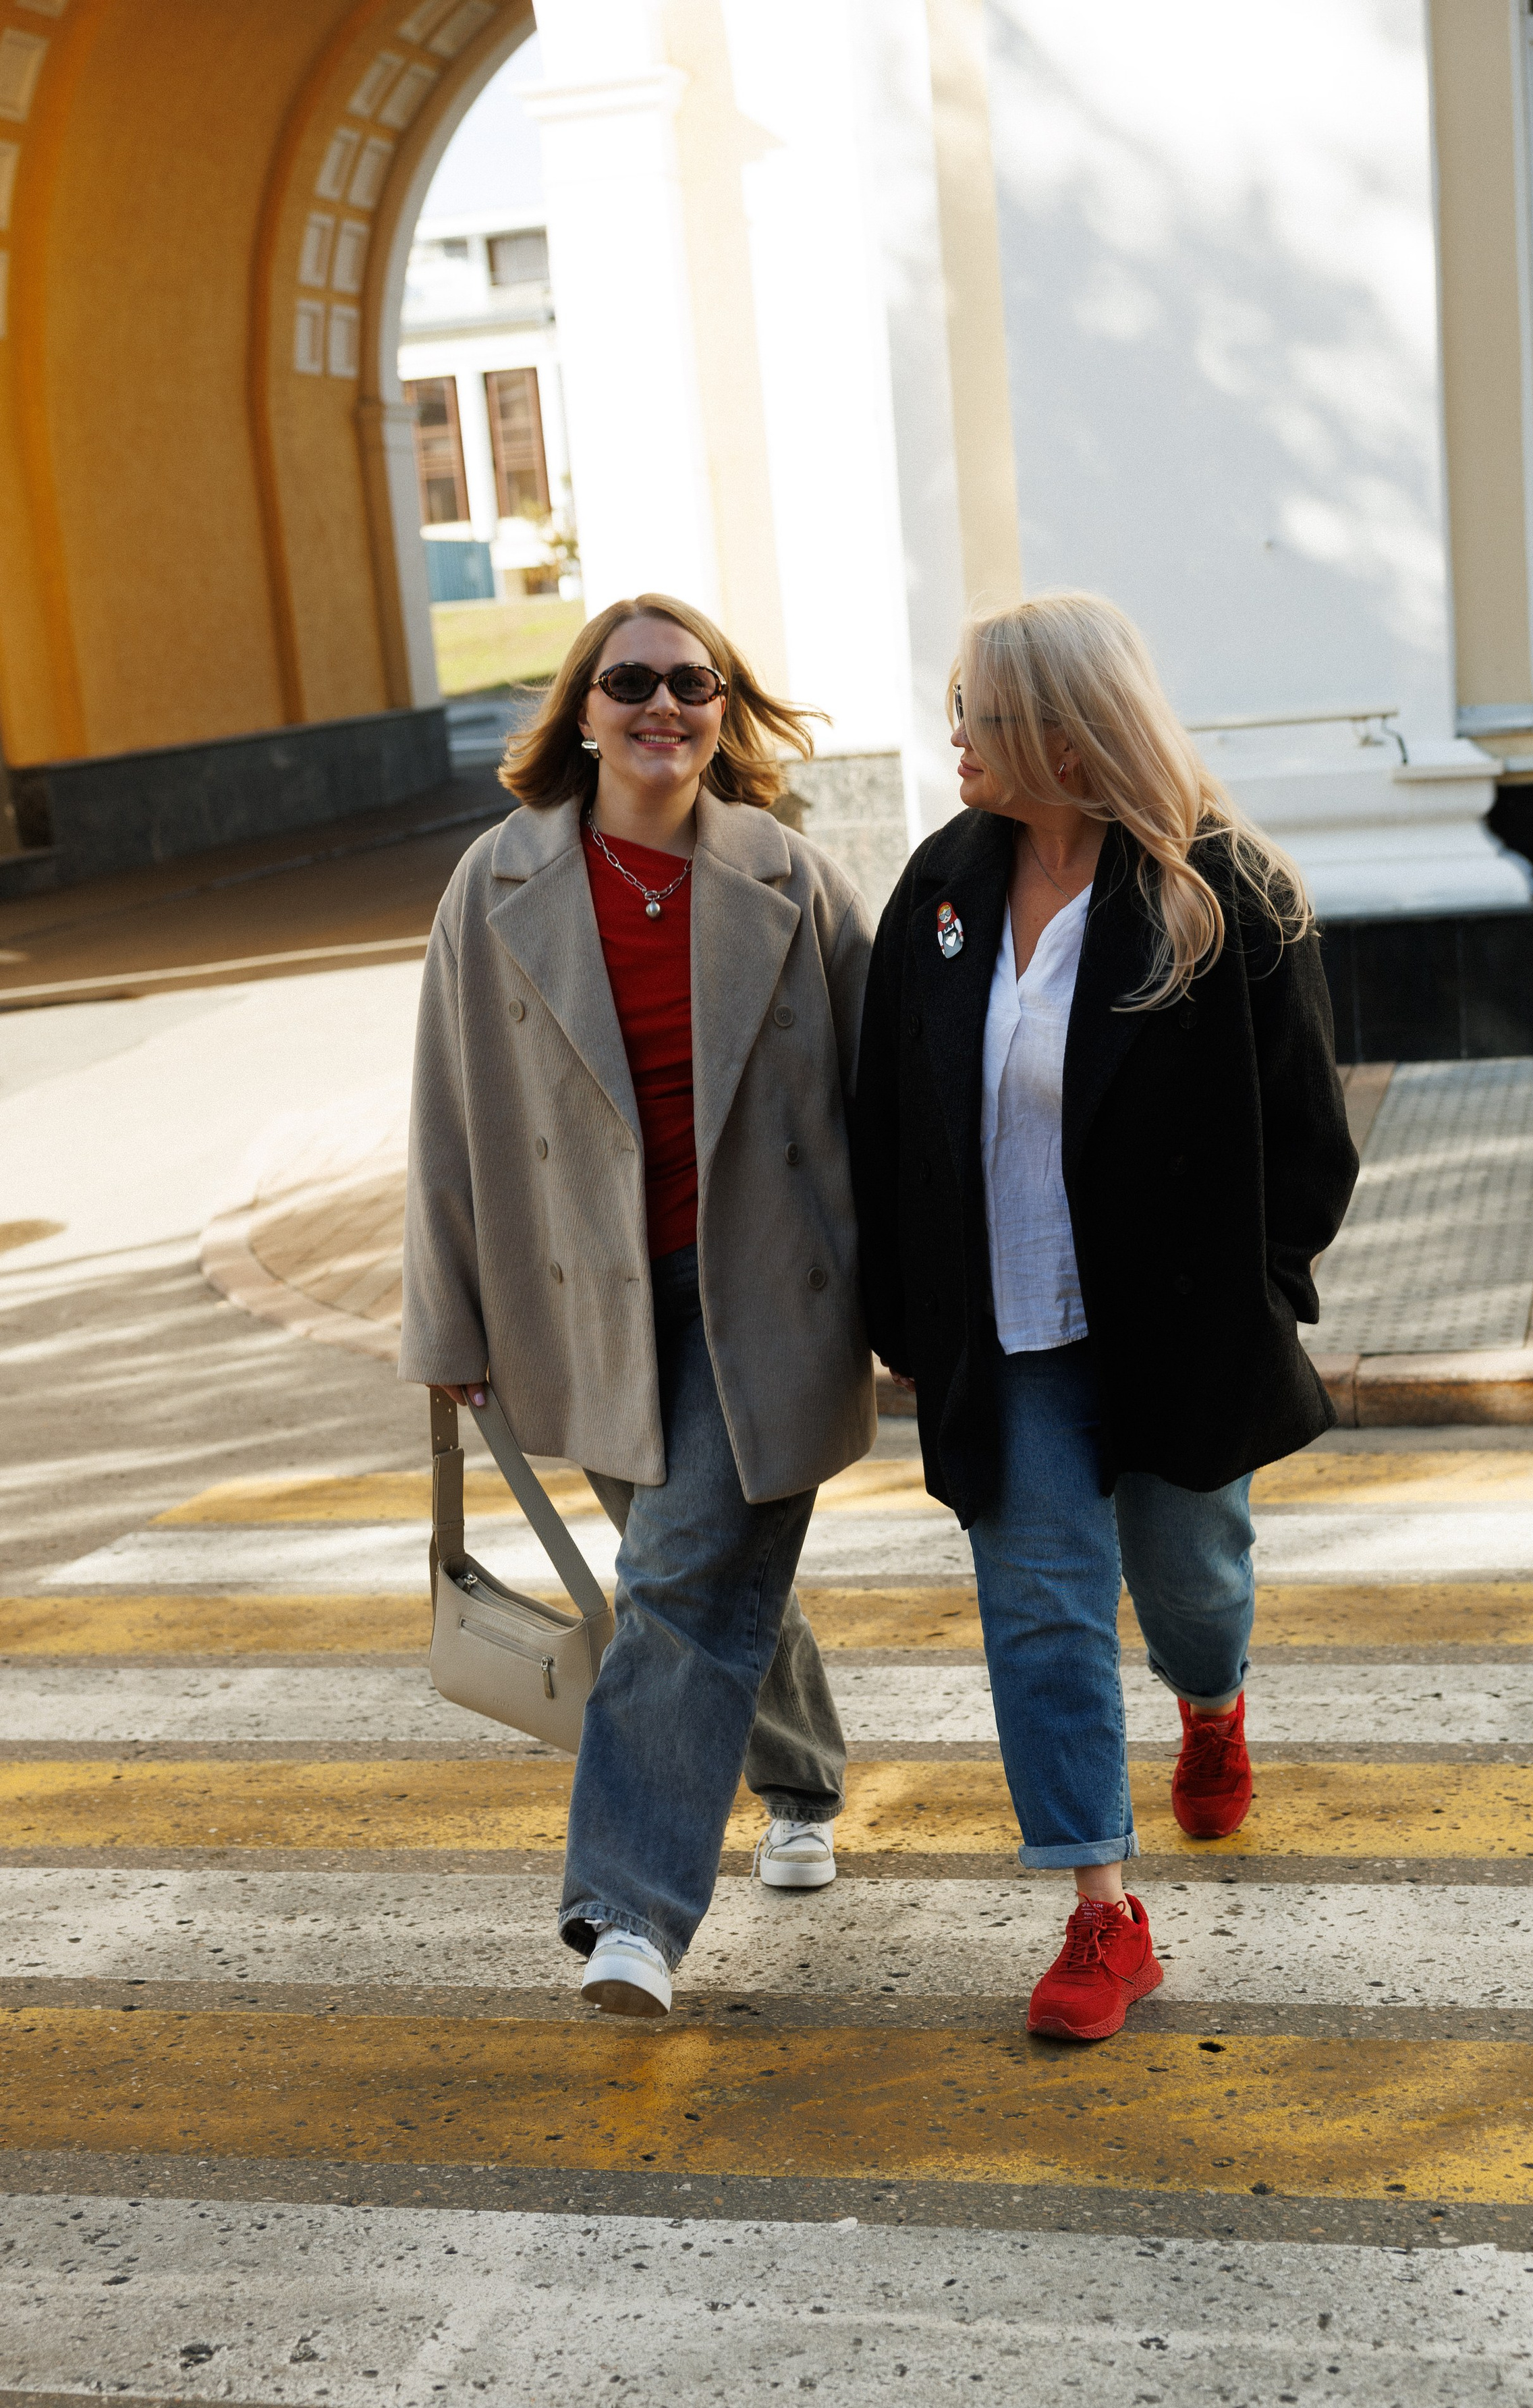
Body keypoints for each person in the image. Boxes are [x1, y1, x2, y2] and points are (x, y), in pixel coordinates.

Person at [852, 590, 1358, 2044]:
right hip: (1003, 1334)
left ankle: (1211, 1703)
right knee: (1042, 1612)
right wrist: (904, 1316)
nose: (954, 734)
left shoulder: (1222, 890)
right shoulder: (941, 888)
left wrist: (1259, 1296)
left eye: (981, 713)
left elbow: (1307, 1140)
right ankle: (1100, 1914)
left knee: (1190, 1577)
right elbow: (888, 1112)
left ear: (1065, 735)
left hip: (1176, 1332)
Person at [400, 592, 876, 2019]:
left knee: (672, 1584)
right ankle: (802, 1779)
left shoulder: (794, 880)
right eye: (630, 682)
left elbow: (884, 1108)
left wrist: (912, 1302)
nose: (662, 704)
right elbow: (445, 1114)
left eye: (692, 681)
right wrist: (446, 1322)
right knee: (704, 1572)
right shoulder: (496, 882)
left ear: (724, 711)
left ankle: (629, 1914)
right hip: (580, 1303)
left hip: (766, 1300)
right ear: (583, 710)